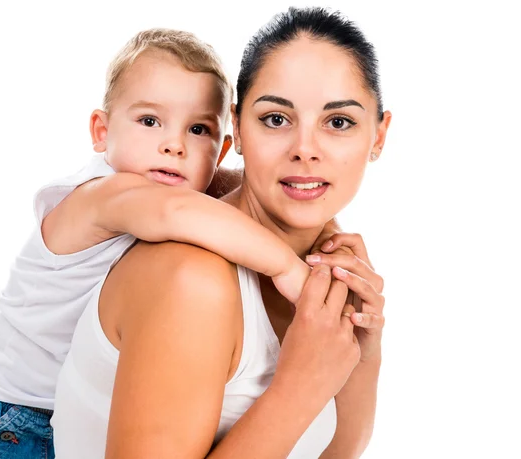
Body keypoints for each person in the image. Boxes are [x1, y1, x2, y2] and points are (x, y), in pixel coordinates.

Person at [0, 28, 341, 458]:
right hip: (8, 413)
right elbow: (173, 212)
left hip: (67, 410)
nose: (174, 145)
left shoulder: (178, 189)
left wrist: (323, 224)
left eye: (198, 129)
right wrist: (287, 267)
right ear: (101, 130)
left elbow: (234, 190)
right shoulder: (100, 195)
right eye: (150, 121)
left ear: (222, 150)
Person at [52, 6, 392, 459]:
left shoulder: (327, 265)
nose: (305, 150)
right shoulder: (191, 278)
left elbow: (333, 452)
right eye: (276, 119)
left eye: (339, 122)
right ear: (236, 126)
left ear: (379, 137)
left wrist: (362, 351)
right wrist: (298, 389)